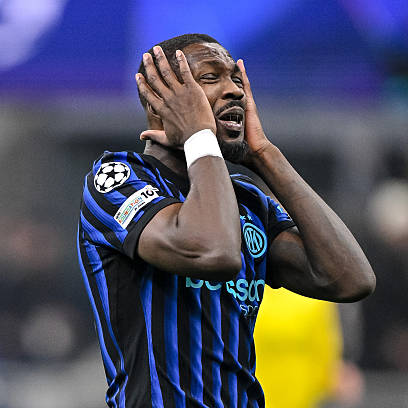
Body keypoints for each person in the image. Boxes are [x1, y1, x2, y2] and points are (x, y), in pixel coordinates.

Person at [76, 33, 375, 408]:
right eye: (210, 77)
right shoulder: (116, 179)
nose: (234, 90)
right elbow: (214, 251)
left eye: (236, 79)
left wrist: (265, 155)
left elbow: (350, 279)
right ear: (159, 101)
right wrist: (200, 136)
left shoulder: (247, 201)